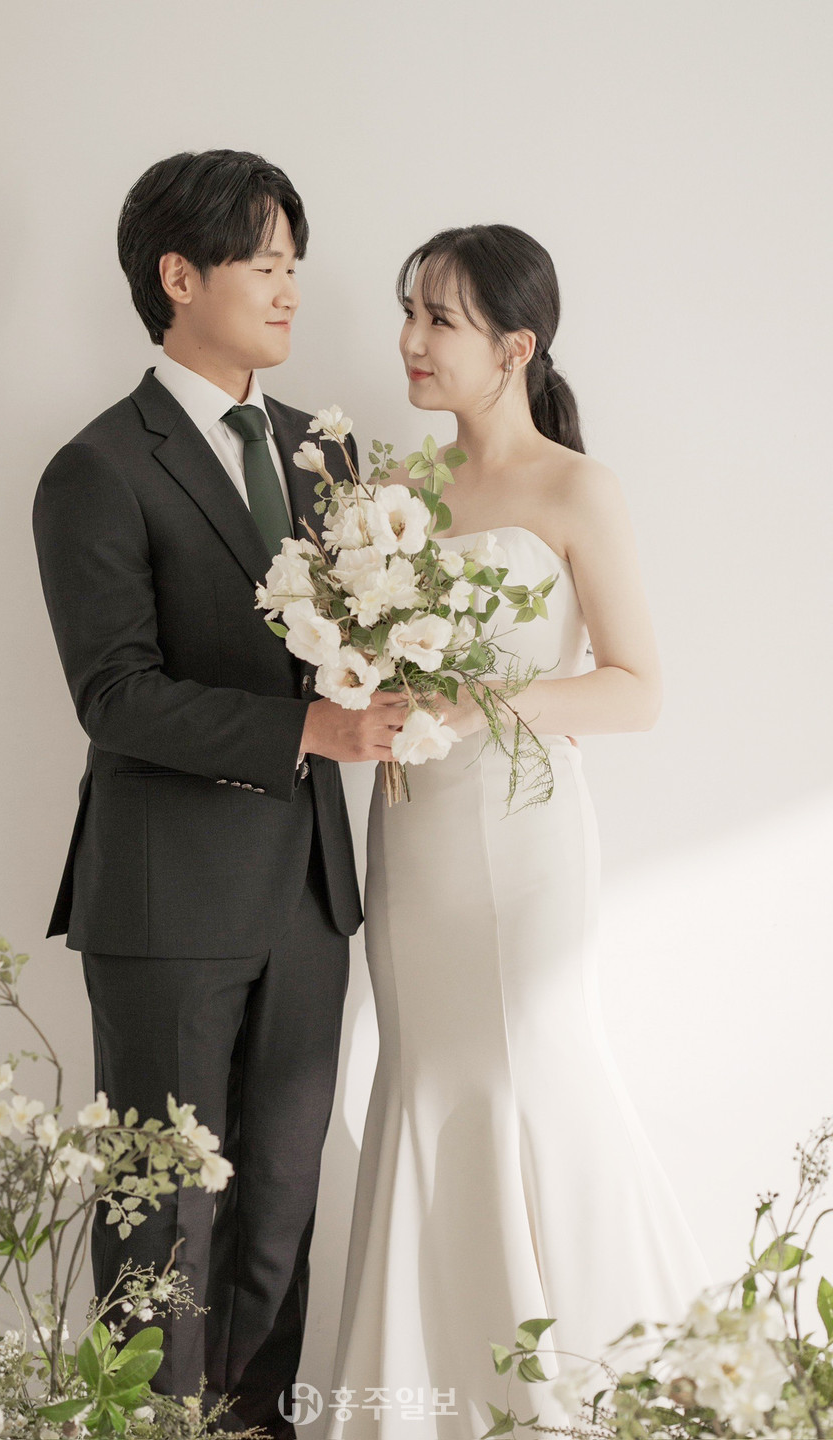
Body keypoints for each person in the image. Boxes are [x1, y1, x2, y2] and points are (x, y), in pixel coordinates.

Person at [31, 149, 405, 1439]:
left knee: (280, 1212)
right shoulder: (97, 466)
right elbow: (115, 694)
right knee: (165, 1219)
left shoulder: (324, 452)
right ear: (179, 276)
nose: (292, 289)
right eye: (266, 263)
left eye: (297, 264)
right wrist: (309, 724)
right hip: (168, 901)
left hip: (309, 895)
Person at [327, 225, 710, 1437]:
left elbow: (637, 690)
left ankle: (595, 1385)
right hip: (412, 841)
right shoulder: (395, 496)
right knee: (424, 1080)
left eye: (439, 319)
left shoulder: (576, 488)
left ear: (515, 347)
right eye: (408, 313)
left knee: (533, 1070)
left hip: (528, 841)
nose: (410, 340)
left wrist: (482, 703)